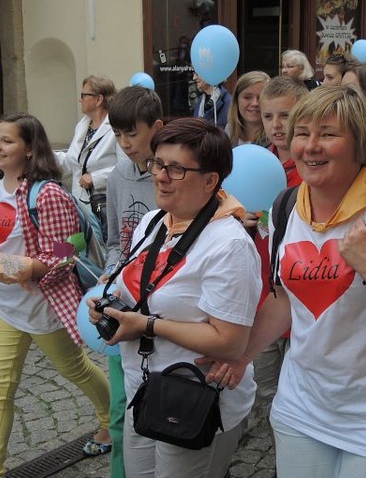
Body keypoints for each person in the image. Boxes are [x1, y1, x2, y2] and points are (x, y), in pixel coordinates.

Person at [211, 84, 366, 477]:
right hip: (303, 407)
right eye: (302, 133)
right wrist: (241, 355)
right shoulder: (286, 207)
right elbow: (286, 299)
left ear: (359, 145)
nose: (310, 146)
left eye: (328, 134)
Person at [89, 118, 261, 477]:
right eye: (158, 163)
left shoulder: (228, 244)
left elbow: (229, 342)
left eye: (176, 169)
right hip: (145, 390)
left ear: (210, 181)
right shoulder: (154, 221)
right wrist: (110, 305)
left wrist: (148, 324)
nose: (160, 176)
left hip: (193, 400)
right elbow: (141, 288)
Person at [0, 113, 111, 478]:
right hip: (0, 306)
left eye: (8, 141)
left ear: (30, 149)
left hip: (43, 307)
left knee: (74, 368)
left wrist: (25, 268)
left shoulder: (46, 194)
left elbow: (70, 248)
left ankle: (112, 417)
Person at [103, 85, 165, 478]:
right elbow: (114, 240)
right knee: (120, 407)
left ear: (156, 128)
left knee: (161, 401)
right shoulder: (117, 177)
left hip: (162, 302)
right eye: (118, 134)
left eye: (133, 134)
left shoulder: (176, 174)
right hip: (123, 298)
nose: (125, 144)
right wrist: (110, 272)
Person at [250, 75, 307, 420]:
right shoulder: (254, 163)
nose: (276, 125)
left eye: (285, 115)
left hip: (303, 294)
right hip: (263, 294)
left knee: (300, 391)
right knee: (264, 386)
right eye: (269, 116)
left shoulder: (312, 167)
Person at [55, 75, 118, 205]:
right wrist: (42, 153)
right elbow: (71, 162)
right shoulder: (82, 125)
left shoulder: (116, 127)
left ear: (98, 99)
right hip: (81, 204)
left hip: (105, 204)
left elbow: (127, 166)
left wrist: (96, 178)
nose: (80, 99)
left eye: (84, 95)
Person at [226, 71, 270, 147]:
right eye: (247, 97)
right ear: (236, 100)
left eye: (261, 98)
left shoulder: (277, 140)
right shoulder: (228, 133)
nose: (255, 103)